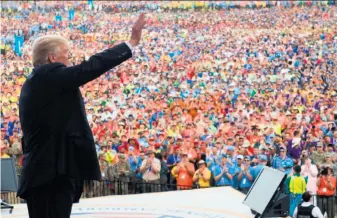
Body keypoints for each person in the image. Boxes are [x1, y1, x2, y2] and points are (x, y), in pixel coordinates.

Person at [17, 13, 147, 218]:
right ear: (52, 58)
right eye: (66, 54)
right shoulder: (48, 76)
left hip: (45, 172)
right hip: (50, 174)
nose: (70, 60)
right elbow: (90, 67)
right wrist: (130, 43)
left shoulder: (37, 81)